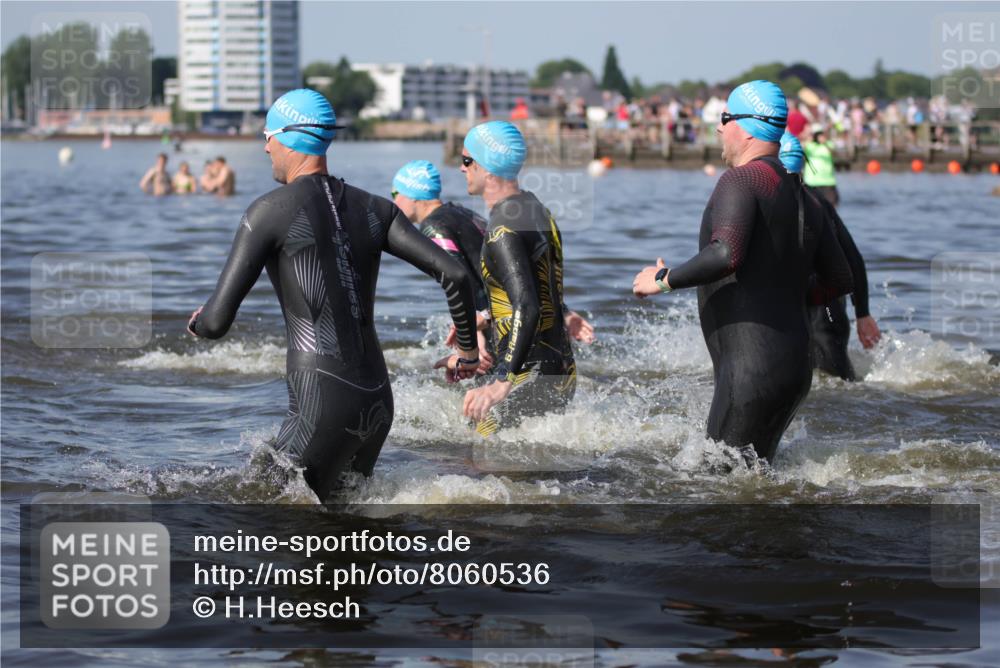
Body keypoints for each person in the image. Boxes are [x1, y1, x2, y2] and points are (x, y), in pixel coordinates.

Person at [187, 89, 481, 501]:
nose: (266, 146)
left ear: (288, 137)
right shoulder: (378, 209)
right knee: (348, 529)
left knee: (261, 515)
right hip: (378, 403)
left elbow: (217, 323)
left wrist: (197, 323)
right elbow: (456, 275)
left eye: (268, 136)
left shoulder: (268, 210)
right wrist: (468, 353)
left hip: (321, 404)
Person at [632, 80, 854, 463]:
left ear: (748, 127)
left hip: (752, 372)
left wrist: (663, 281)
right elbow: (840, 279)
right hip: (794, 367)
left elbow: (726, 254)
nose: (719, 128)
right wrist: (778, 295)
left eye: (725, 118)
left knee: (715, 485)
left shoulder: (742, 179)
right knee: (754, 481)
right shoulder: (804, 197)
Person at [456, 121, 578, 437]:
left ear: (487, 168)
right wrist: (486, 317)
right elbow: (537, 288)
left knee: (477, 458)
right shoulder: (535, 207)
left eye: (467, 160)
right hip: (560, 370)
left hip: (527, 377)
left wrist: (502, 382)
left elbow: (528, 305)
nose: (461, 168)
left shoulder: (502, 230)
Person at [779, 133, 881, 380]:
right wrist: (863, 313)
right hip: (829, 308)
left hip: (818, 312)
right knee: (840, 383)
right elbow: (853, 257)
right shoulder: (818, 200)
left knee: (829, 383)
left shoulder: (771, 201)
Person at [803, 126, 839, 207]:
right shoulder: (809, 145)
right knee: (812, 207)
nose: (819, 136)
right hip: (811, 182)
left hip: (828, 182)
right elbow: (801, 150)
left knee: (832, 206)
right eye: (817, 135)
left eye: (820, 134)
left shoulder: (828, 144)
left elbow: (835, 154)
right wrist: (808, 138)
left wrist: (825, 143)